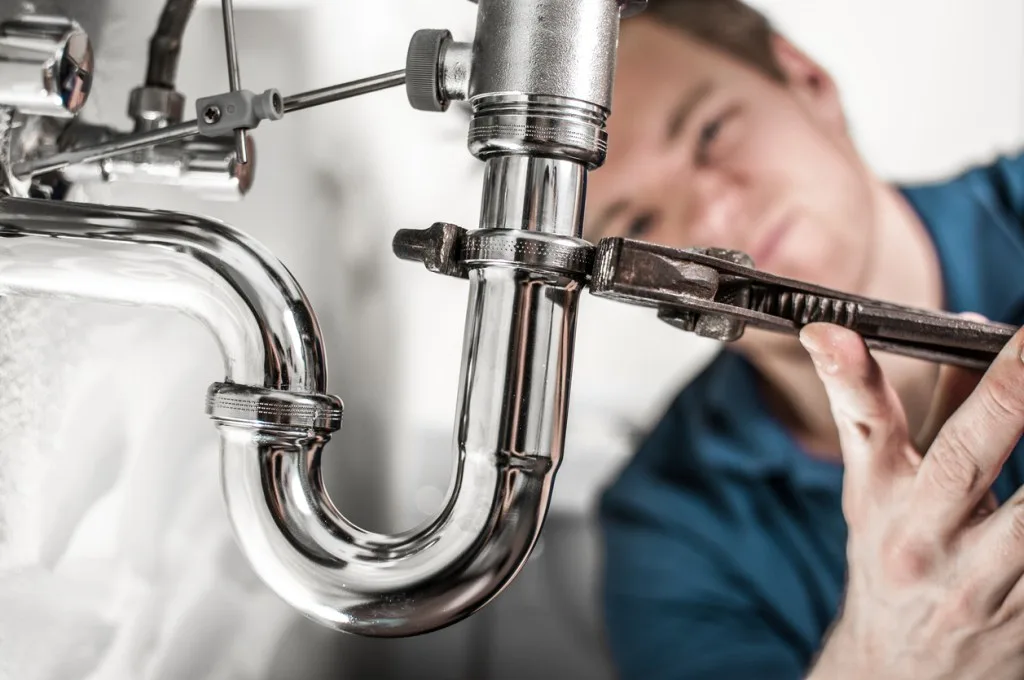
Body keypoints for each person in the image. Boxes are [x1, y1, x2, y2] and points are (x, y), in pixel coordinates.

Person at [591, 1, 1024, 677]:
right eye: (640, 217)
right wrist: (887, 661)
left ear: (807, 80)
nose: (712, 213)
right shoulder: (667, 533)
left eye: (710, 131)